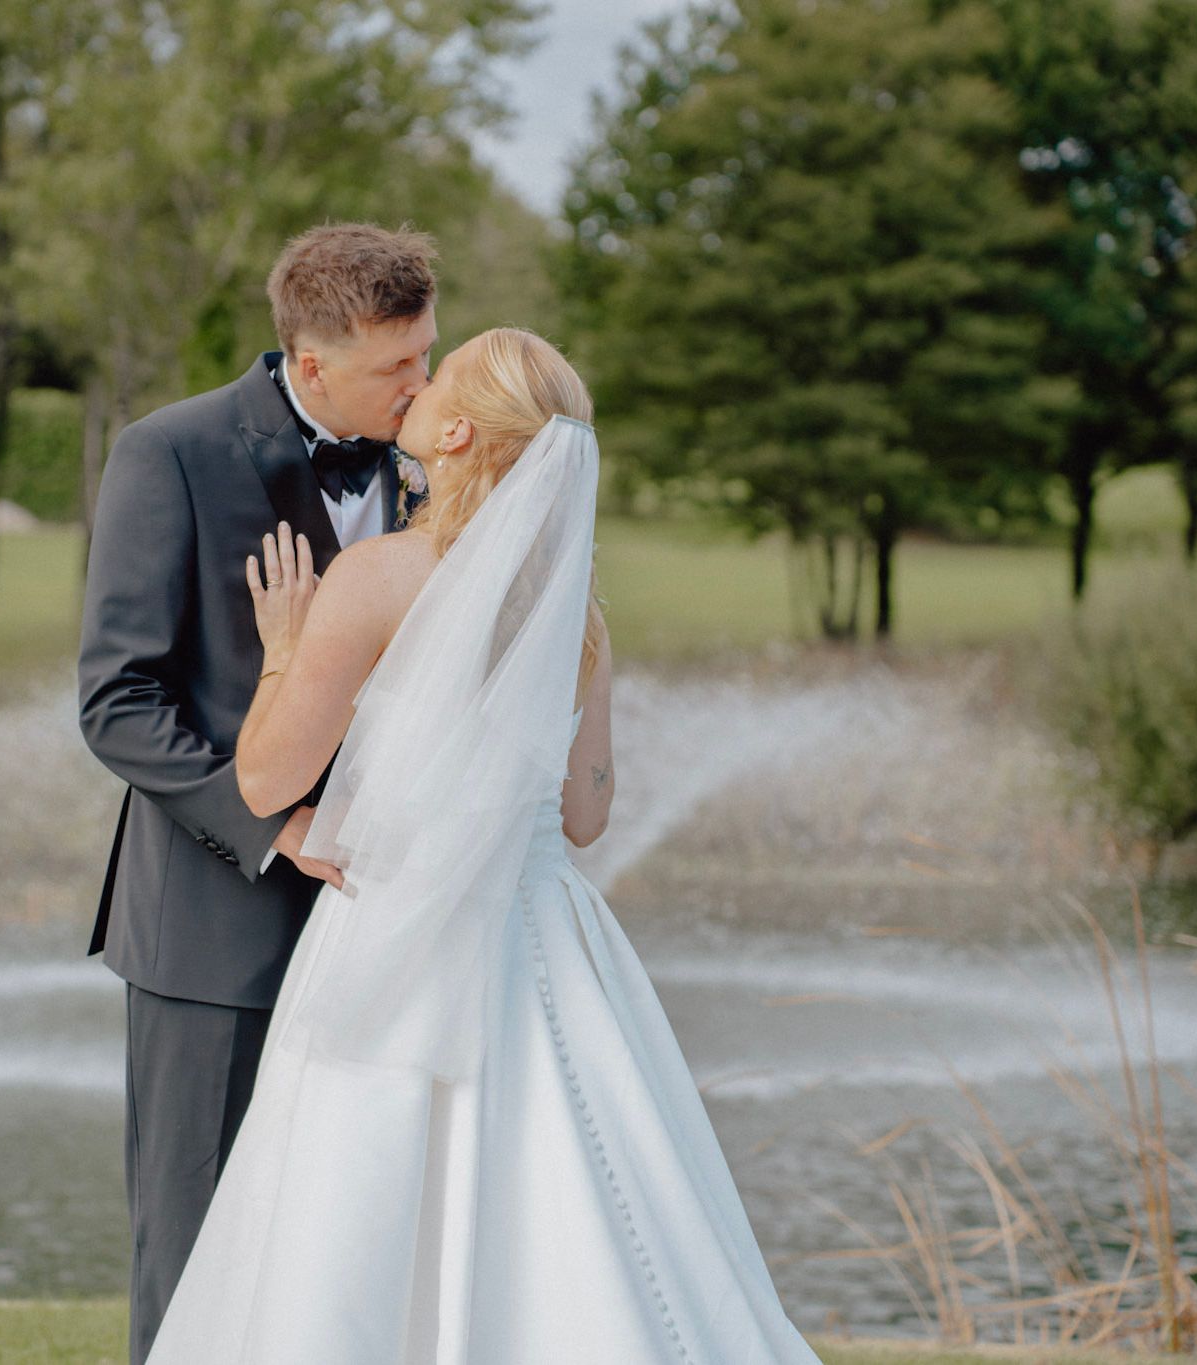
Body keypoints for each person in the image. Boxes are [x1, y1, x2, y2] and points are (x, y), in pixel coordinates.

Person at [143, 327, 824, 1362]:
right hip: (540, 936)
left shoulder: (373, 578)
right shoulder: (573, 611)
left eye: (437, 372)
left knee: (351, 1203)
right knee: (572, 1179)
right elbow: (585, 815)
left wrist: (283, 653)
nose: (414, 385)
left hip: (391, 935)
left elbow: (263, 783)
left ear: (454, 430)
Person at [75, 222, 439, 1364]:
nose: (423, 385)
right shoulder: (168, 453)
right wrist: (274, 825)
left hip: (393, 927)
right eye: (398, 367)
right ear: (312, 359)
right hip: (212, 935)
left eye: (426, 354)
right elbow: (117, 699)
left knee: (355, 1243)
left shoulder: (435, 468)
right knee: (195, 1248)